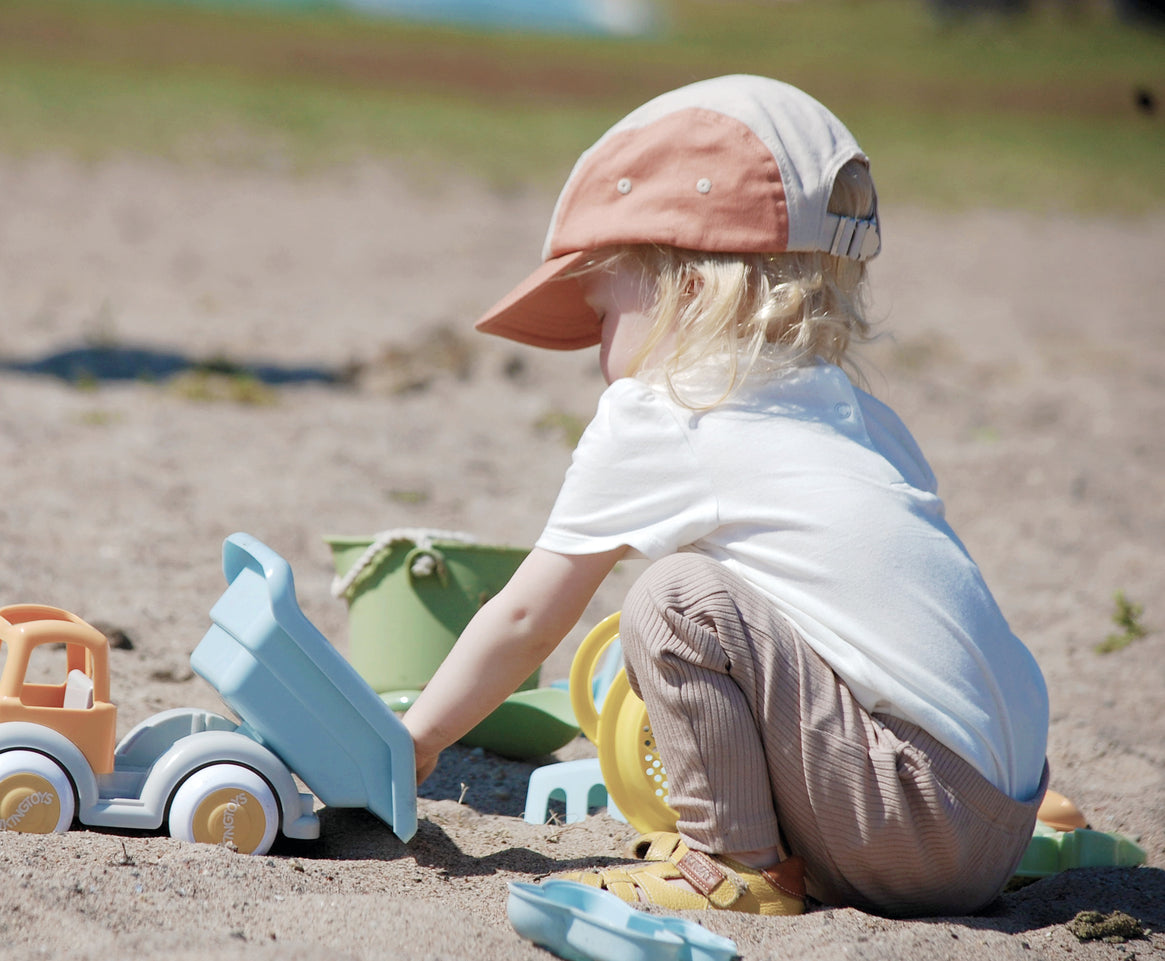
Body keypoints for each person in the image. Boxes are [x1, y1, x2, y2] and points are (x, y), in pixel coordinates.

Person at [401, 74, 1049, 918]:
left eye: (601, 313)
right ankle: (776, 841)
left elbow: (528, 616)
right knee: (743, 608)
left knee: (675, 601)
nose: (596, 348)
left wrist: (417, 738)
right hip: (999, 816)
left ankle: (730, 864)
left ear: (692, 291)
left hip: (910, 821)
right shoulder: (849, 408)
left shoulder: (665, 408)